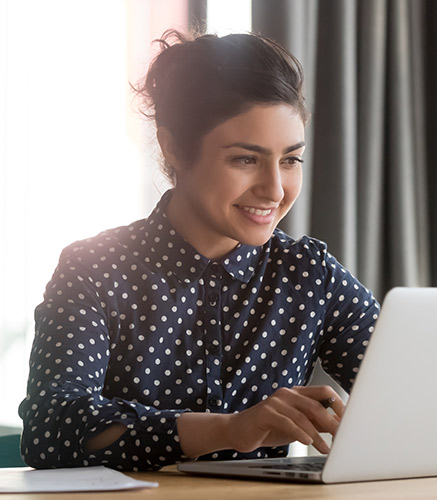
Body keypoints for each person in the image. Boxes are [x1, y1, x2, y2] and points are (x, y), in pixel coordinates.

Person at [18, 29, 379, 471]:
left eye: (290, 160)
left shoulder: (309, 273)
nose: (274, 189)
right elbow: (51, 430)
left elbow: (416, 392)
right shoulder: (95, 268)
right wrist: (230, 429)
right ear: (174, 148)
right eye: (245, 159)